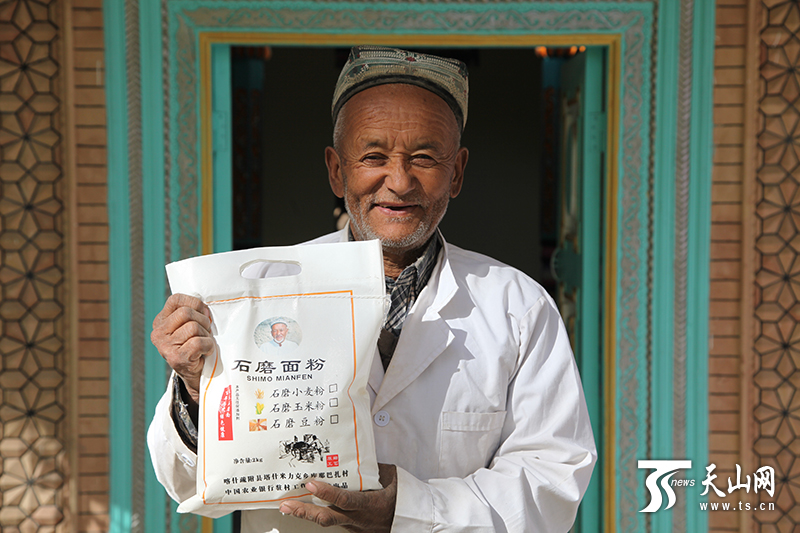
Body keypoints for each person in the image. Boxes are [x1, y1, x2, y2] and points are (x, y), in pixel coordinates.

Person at [148, 45, 596, 532]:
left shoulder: (518, 306)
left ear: (457, 173)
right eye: (373, 156)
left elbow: (551, 482)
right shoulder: (260, 291)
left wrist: (413, 509)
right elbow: (186, 485)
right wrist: (196, 389)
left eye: (424, 157)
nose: (399, 181)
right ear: (336, 170)